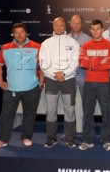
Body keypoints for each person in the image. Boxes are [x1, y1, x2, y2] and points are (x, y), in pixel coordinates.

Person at [0, 23, 44, 150]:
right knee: (6, 115)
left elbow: (43, 66)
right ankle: (2, 139)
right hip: (11, 88)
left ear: (26, 33)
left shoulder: (37, 47)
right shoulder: (6, 48)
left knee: (29, 114)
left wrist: (41, 82)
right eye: (16, 32)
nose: (19, 35)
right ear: (13, 34)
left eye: (22, 32)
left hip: (32, 87)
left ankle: (26, 137)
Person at [39, 17, 80, 148]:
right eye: (56, 25)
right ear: (53, 27)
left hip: (68, 80)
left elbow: (75, 61)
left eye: (61, 25)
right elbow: (43, 62)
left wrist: (64, 73)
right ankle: (51, 138)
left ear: (65, 27)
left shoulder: (73, 42)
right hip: (51, 80)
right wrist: (54, 74)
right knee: (51, 110)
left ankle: (70, 138)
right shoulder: (46, 43)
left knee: (69, 110)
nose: (59, 28)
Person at [78, 20, 110, 151]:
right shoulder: (85, 45)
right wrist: (100, 61)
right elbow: (82, 63)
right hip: (89, 83)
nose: (95, 31)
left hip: (104, 83)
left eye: (98, 29)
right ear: (90, 30)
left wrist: (92, 63)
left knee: (106, 112)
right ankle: (87, 140)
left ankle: (107, 139)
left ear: (102, 29)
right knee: (87, 112)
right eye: (93, 29)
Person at [69, 14, 91, 101]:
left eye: (78, 23)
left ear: (81, 24)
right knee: (70, 102)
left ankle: (86, 115)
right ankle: (71, 115)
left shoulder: (88, 39)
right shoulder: (65, 39)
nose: (76, 25)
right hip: (69, 75)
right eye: (74, 23)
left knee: (86, 101)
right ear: (70, 24)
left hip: (84, 74)